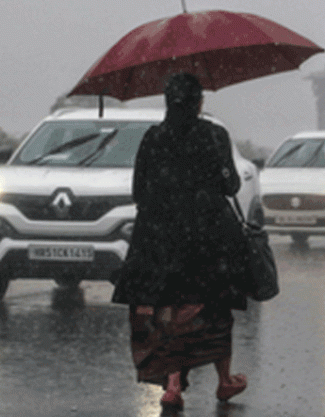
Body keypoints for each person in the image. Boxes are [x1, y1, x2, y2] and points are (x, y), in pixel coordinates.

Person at [111, 72, 249, 410]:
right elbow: (231, 187)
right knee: (214, 309)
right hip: (207, 238)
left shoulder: (153, 138)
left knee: (169, 310)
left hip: (160, 240)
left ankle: (173, 384)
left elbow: (138, 191)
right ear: (199, 102)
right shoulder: (214, 135)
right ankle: (224, 380)